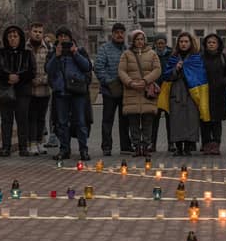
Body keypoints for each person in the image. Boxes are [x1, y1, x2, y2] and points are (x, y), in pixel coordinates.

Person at [159, 32, 210, 156]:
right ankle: (178, 147)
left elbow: (200, 75)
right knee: (176, 120)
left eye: (186, 41)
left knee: (191, 120)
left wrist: (188, 71)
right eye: (181, 41)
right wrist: (175, 69)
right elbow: (166, 76)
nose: (183, 44)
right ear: (178, 43)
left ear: (190, 43)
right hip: (176, 92)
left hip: (192, 93)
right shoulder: (173, 58)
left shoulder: (196, 58)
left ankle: (188, 147)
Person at [45, 26, 92, 161]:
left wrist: (75, 54)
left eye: (66, 35)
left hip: (78, 93)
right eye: (60, 36)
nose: (63, 38)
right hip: (61, 93)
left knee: (81, 122)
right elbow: (49, 70)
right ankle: (64, 150)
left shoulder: (80, 50)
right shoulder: (53, 52)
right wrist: (56, 56)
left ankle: (83, 150)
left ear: (70, 38)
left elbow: (87, 67)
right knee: (61, 123)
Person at [0, 25, 36, 156]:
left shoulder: (27, 53)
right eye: (10, 36)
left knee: (22, 120)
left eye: (15, 36)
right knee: (6, 120)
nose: (12, 39)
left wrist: (19, 78)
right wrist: (7, 77)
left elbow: (32, 71)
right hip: (5, 91)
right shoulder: (0, 53)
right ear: (6, 38)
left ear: (20, 38)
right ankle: (6, 147)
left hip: (22, 91)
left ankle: (23, 147)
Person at [117, 30, 161, 157]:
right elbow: (121, 71)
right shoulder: (126, 54)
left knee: (148, 121)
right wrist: (130, 83)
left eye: (142, 39)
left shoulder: (152, 54)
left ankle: (146, 146)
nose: (140, 42)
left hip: (147, 92)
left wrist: (146, 80)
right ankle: (136, 146)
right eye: (137, 39)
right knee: (134, 122)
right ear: (132, 41)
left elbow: (157, 70)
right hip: (132, 92)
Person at [94, 22, 131, 156]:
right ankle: (106, 147)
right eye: (117, 33)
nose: (119, 35)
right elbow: (98, 67)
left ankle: (126, 146)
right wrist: (109, 82)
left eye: (122, 32)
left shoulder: (127, 49)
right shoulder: (105, 49)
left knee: (125, 120)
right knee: (107, 121)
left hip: (125, 91)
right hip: (109, 91)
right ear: (113, 34)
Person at [201, 33, 226, 155]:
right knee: (204, 120)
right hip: (204, 92)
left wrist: (222, 82)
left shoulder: (223, 57)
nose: (211, 44)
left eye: (214, 42)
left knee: (216, 121)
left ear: (218, 44)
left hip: (219, 93)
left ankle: (216, 144)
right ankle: (206, 144)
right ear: (205, 44)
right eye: (209, 42)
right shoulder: (201, 57)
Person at [25, 22, 51, 156]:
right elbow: (22, 68)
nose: (37, 34)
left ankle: (40, 142)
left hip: (44, 90)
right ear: (30, 32)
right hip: (29, 90)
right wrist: (30, 80)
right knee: (31, 117)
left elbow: (51, 69)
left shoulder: (47, 49)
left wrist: (41, 80)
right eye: (35, 31)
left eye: (40, 32)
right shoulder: (25, 48)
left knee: (41, 117)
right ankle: (32, 143)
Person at [151, 33, 174, 153]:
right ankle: (152, 144)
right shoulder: (151, 54)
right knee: (154, 119)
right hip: (155, 90)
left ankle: (171, 143)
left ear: (166, 43)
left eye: (162, 42)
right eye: (158, 43)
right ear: (155, 44)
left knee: (170, 119)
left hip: (167, 89)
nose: (160, 45)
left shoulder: (171, 54)